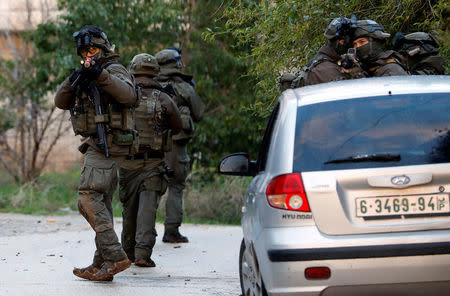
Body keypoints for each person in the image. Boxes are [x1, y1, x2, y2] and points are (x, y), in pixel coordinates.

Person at [54, 25, 137, 281]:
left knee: (87, 197)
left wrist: (99, 75)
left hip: (109, 144)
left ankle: (115, 256)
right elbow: (60, 101)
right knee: (100, 200)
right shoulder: (86, 73)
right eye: (84, 51)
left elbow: (128, 95)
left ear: (103, 49)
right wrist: (74, 80)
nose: (88, 55)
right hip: (99, 145)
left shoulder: (113, 70)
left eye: (92, 50)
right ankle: (101, 263)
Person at [120, 53, 182, 267]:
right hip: (154, 162)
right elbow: (178, 127)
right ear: (155, 71)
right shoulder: (163, 98)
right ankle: (142, 255)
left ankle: (126, 253)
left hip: (126, 162)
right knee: (148, 209)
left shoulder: (123, 95)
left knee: (129, 210)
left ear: (133, 70)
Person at [155, 47, 205, 243]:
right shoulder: (183, 87)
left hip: (151, 145)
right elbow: (199, 113)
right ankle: (171, 231)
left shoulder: (147, 85)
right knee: (175, 186)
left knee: (151, 187)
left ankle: (143, 233)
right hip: (176, 146)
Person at [291, 15, 363, 88]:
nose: (356, 46)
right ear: (342, 42)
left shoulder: (326, 60)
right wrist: (358, 73)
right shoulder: (327, 70)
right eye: (354, 42)